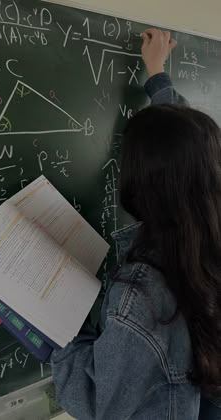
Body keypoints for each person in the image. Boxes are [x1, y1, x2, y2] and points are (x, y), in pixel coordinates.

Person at [51, 29, 221, 419]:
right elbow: (188, 151)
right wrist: (158, 77)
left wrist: (57, 325)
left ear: (140, 181)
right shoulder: (207, 232)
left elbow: (98, 399)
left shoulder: (144, 299)